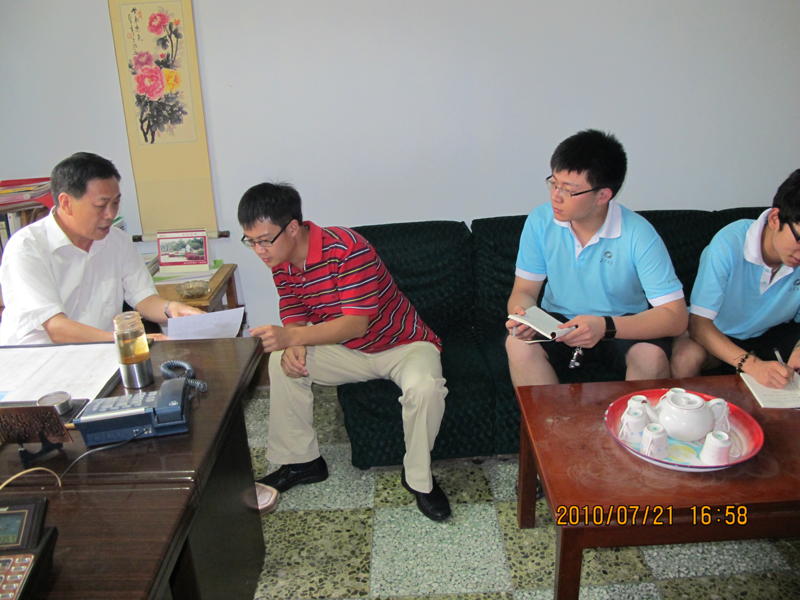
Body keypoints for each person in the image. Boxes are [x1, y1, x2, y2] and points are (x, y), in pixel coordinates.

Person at [239, 182, 451, 521]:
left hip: (404, 345)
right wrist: (295, 342)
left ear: (292, 228)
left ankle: (419, 479)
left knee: (425, 390)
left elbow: (355, 324)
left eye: (264, 240)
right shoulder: (281, 260)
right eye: (251, 241)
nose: (259, 251)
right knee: (281, 362)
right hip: (347, 352)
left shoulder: (347, 248)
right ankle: (302, 462)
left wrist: (293, 336)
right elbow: (294, 305)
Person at [505, 129, 688, 386]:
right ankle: (549, 415)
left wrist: (605, 326)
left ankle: (631, 414)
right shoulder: (540, 221)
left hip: (621, 323)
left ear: (603, 195)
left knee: (651, 357)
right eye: (554, 183)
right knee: (517, 344)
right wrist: (525, 317)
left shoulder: (638, 233)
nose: (556, 196)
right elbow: (523, 291)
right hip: (559, 322)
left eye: (569, 190)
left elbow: (675, 317)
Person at [0, 152, 202, 345]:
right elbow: (56, 328)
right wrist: (127, 340)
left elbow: (144, 298)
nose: (110, 214)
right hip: (39, 358)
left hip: (103, 349)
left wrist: (171, 309)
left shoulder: (118, 241)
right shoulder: (27, 248)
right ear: (66, 203)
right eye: (100, 205)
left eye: (115, 203)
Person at [671, 169, 800, 388]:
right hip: (718, 334)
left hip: (770, 333)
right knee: (687, 358)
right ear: (775, 219)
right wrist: (753, 366)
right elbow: (699, 324)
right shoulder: (729, 244)